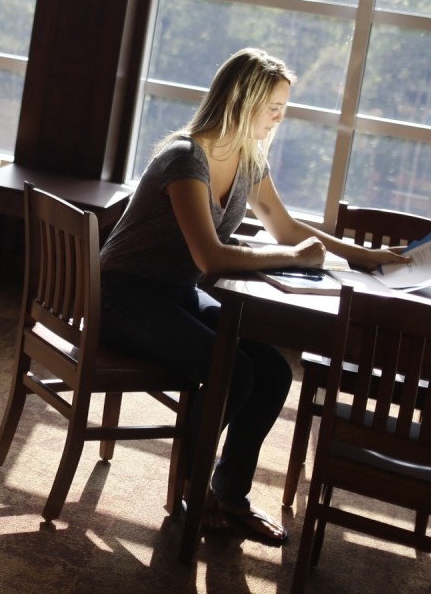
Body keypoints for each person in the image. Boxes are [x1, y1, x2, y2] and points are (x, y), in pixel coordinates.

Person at [99, 47, 402, 547]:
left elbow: (285, 230)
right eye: (274, 106)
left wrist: (359, 256)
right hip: (121, 296)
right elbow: (211, 259)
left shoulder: (248, 160)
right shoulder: (184, 156)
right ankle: (192, 491)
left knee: (274, 371)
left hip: (172, 295)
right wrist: (294, 259)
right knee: (233, 370)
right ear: (243, 101)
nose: (282, 117)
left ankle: (229, 491)